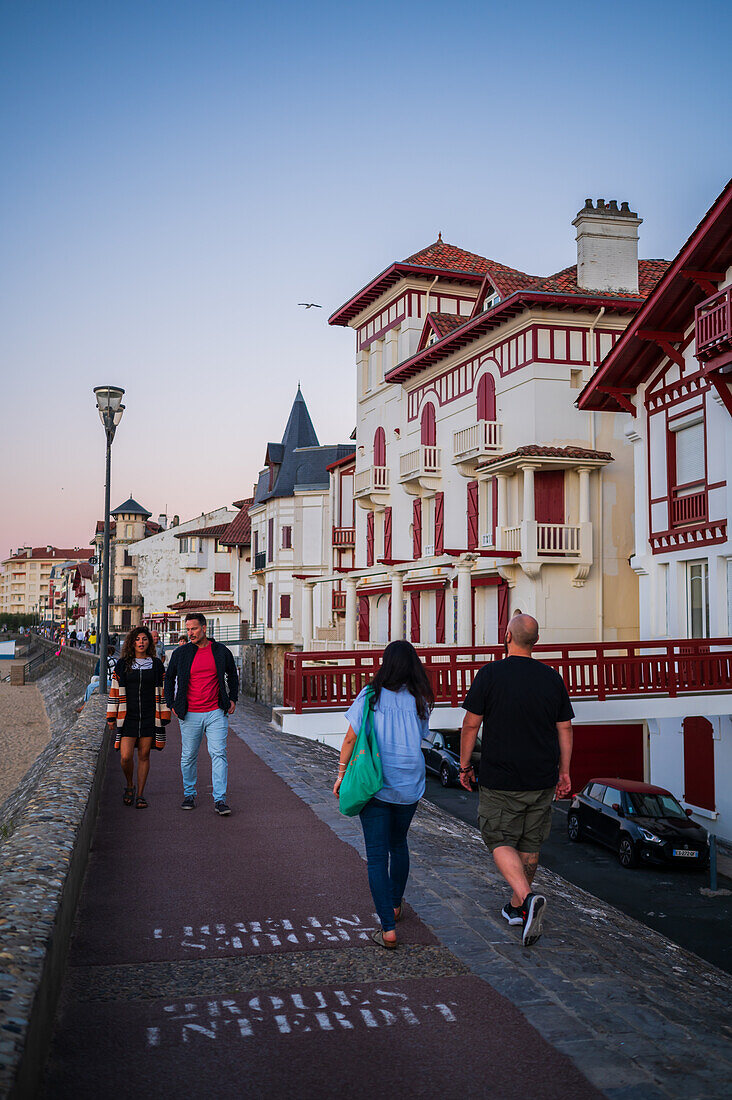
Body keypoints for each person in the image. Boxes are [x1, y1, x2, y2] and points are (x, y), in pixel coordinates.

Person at [460, 614, 573, 948]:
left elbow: (470, 724)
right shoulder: (552, 678)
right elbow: (564, 727)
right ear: (535, 641)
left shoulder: (491, 674)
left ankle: (526, 898)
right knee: (530, 842)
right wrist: (565, 771)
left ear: (507, 636)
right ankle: (516, 907)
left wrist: (465, 765)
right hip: (542, 777)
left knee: (498, 837)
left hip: (501, 776)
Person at [333, 640, 432, 950]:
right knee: (398, 843)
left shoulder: (371, 695)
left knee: (377, 856)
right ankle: (395, 906)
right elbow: (422, 735)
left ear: (386, 663)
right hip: (409, 784)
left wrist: (340, 774)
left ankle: (387, 929)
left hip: (375, 783)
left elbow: (351, 740)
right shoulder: (421, 699)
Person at [164, 613, 238, 816]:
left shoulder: (220, 651)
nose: (190, 633)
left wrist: (233, 698)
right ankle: (189, 794)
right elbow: (169, 678)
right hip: (189, 714)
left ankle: (220, 799)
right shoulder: (181, 653)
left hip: (216, 711)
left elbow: (232, 674)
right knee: (188, 756)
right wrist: (171, 703)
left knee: (218, 753)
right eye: (187, 629)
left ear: (204, 628)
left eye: (194, 629)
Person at [106, 627, 170, 809]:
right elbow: (115, 691)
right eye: (138, 639)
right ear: (132, 642)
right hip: (128, 716)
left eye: (145, 639)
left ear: (149, 642)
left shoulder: (156, 664)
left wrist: (164, 712)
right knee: (125, 757)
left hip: (150, 716)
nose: (141, 642)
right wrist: (111, 715)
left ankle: (140, 794)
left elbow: (163, 690)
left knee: (144, 755)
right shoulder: (123, 664)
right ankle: (129, 784)